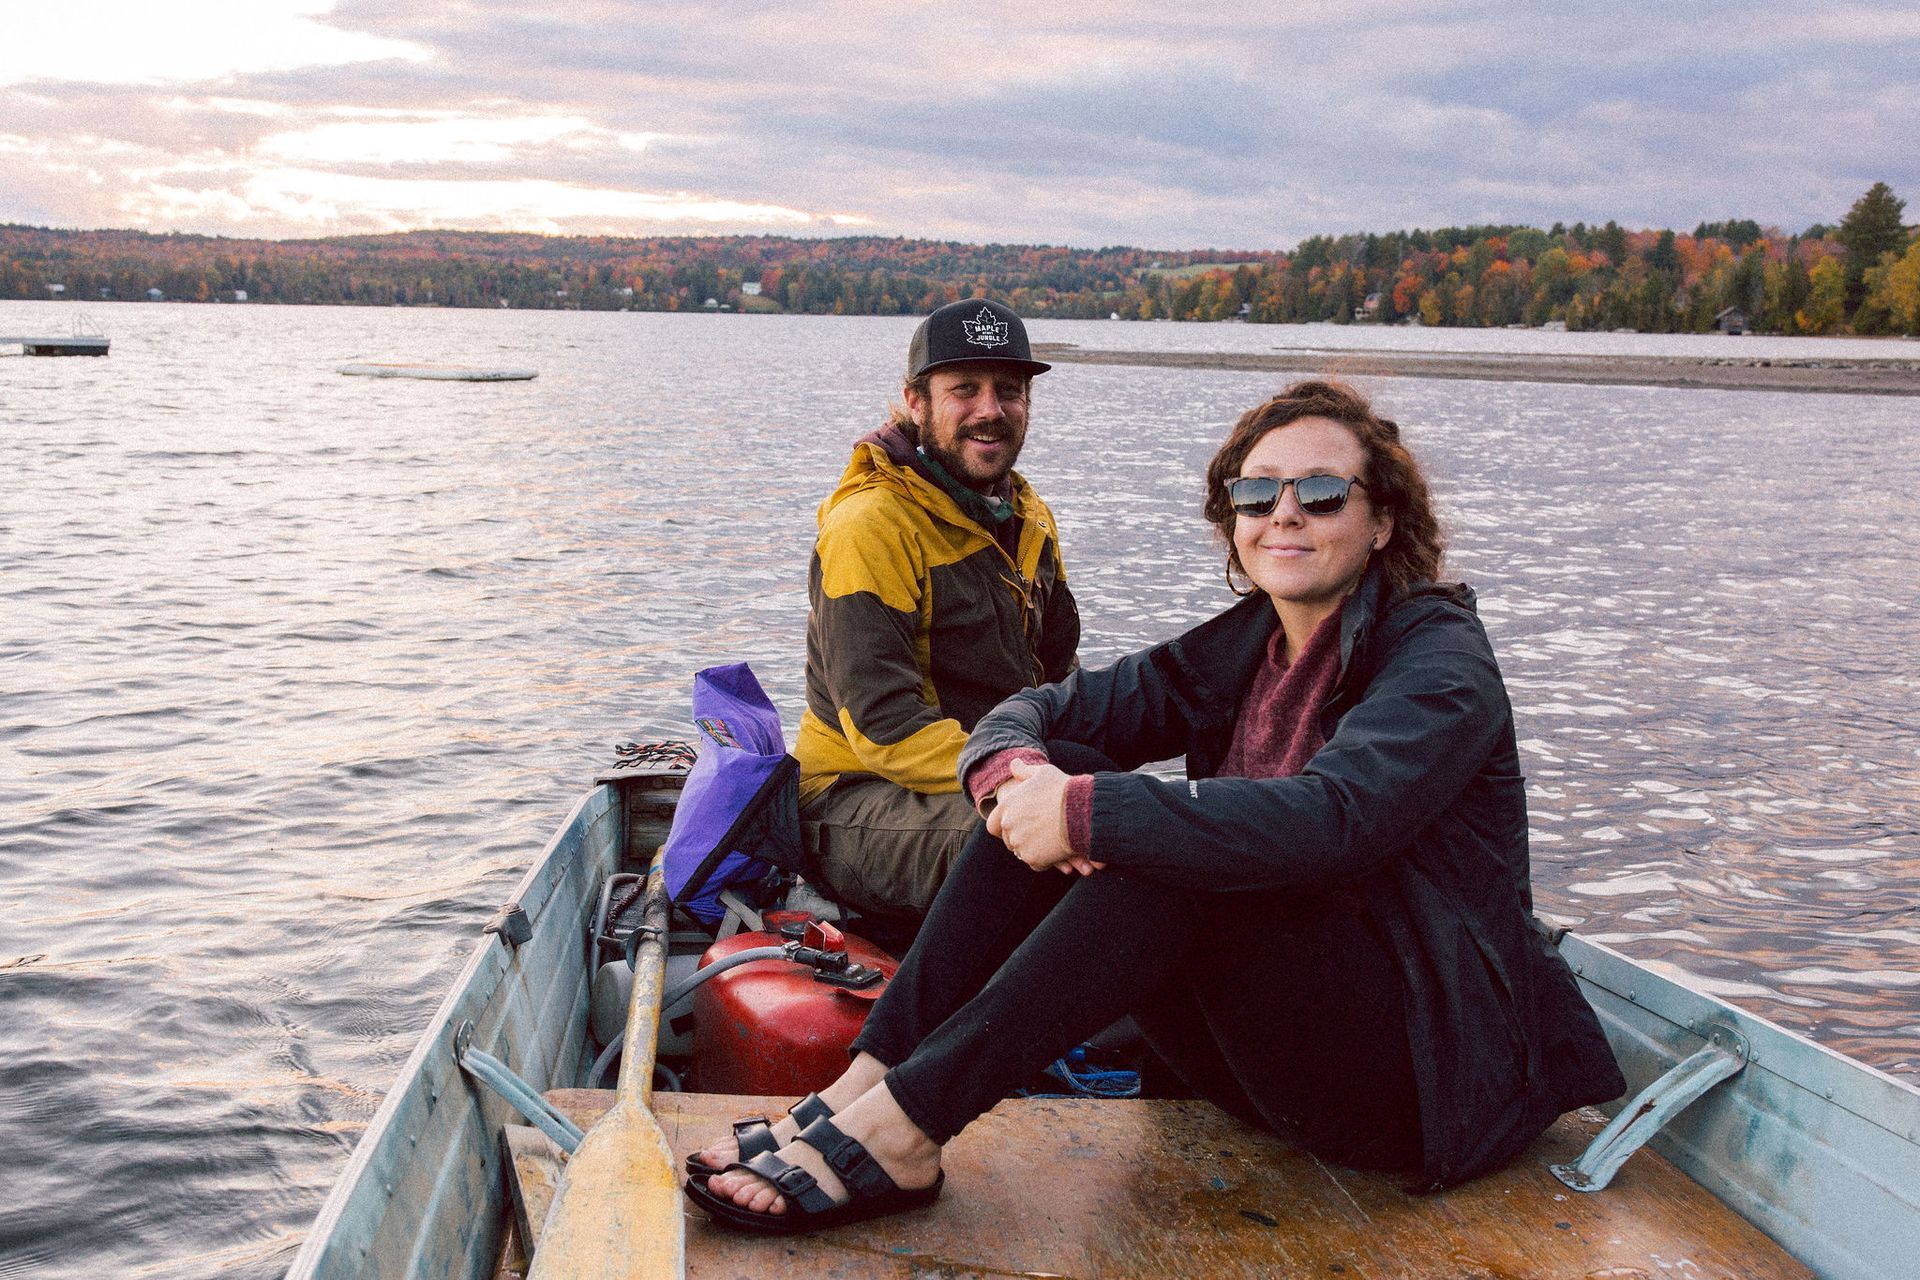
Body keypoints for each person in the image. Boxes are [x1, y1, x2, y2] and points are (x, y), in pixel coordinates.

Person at [686, 378, 1624, 1234]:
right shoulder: (1251, 641)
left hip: (1419, 1078)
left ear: (1382, 523)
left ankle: (903, 1133)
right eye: (1257, 497)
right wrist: (1012, 773)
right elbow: (1043, 709)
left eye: (1322, 493)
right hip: (1266, 1057)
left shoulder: (1439, 660)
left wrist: (1092, 813)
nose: (1283, 515)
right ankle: (869, 1081)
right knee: (1078, 768)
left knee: (1163, 850)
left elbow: (1338, 821)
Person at [792, 298, 1079, 924]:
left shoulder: (1028, 516)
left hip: (997, 767)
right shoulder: (870, 526)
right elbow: (883, 725)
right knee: (1022, 843)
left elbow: (1061, 681)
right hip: (856, 796)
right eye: (964, 389)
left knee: (1123, 816)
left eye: (1009, 389)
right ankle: (943, 1021)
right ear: (916, 402)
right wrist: (1018, 775)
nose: (990, 410)